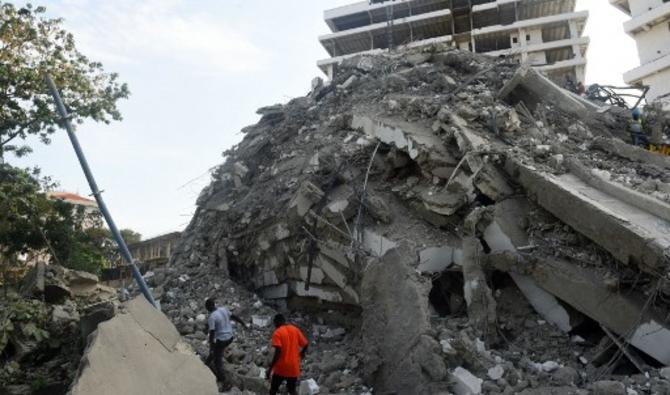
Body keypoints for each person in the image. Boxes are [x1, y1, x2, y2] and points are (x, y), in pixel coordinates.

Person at [205, 297, 248, 389]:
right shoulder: (223, 309)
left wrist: (211, 348)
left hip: (222, 340)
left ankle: (224, 381)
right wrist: (243, 323)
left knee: (217, 361)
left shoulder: (212, 317)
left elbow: (212, 334)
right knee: (216, 352)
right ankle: (207, 362)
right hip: (230, 337)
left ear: (208, 307)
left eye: (207, 308)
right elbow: (234, 316)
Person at [267, 314, 309, 395]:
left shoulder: (277, 333)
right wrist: (302, 353)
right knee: (292, 390)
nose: (275, 325)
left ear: (277, 322)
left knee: (273, 389)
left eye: (275, 323)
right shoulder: (295, 329)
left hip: (281, 368)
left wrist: (270, 368)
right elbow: (306, 344)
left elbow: (278, 352)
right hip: (293, 367)